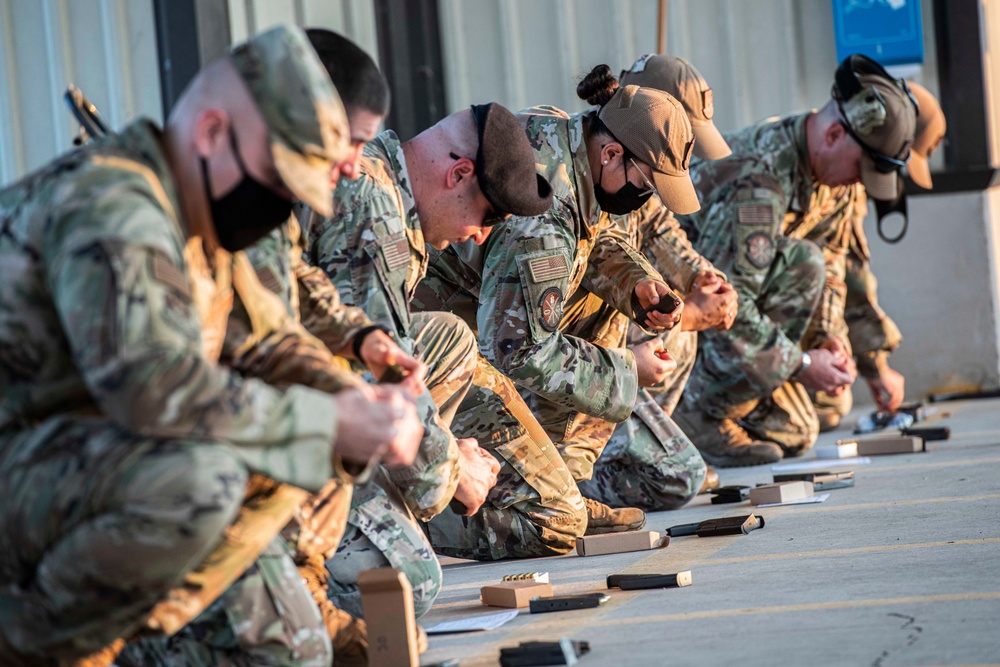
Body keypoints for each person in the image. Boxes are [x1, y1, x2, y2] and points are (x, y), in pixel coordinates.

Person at [0, 25, 422, 666]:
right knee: (201, 475)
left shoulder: (194, 214)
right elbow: (152, 385)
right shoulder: (115, 203)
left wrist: (355, 401)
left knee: (297, 444)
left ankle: (110, 638)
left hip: (49, 463)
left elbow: (265, 340)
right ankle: (36, 648)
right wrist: (327, 419)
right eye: (280, 183)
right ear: (211, 132)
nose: (283, 209)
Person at [302, 99, 591, 564]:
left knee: (449, 339)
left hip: (308, 383)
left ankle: (400, 496)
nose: (480, 236)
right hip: (271, 411)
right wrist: (451, 468)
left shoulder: (386, 183)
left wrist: (441, 447)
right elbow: (376, 370)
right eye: (488, 216)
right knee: (410, 579)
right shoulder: (376, 212)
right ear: (457, 175)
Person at [415, 64, 706, 521]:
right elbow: (515, 347)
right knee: (550, 523)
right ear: (611, 154)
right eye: (647, 185)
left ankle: (567, 480)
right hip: (441, 347)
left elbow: (596, 239)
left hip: (485, 312)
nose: (645, 200)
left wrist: (636, 283)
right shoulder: (544, 220)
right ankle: (426, 516)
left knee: (606, 308)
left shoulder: (572, 142)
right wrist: (627, 373)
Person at [672, 53, 917, 467]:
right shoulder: (758, 182)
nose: (861, 182)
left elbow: (836, 268)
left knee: (800, 430)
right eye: (862, 169)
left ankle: (735, 408)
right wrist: (802, 364)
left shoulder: (834, 176)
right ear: (835, 134)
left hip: (737, 332)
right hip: (683, 327)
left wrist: (828, 339)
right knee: (804, 261)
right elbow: (723, 307)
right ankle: (695, 412)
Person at [805, 82, 946, 430]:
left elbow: (845, 274)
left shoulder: (845, 172)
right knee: (807, 416)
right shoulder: (822, 158)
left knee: (831, 400)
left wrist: (873, 366)